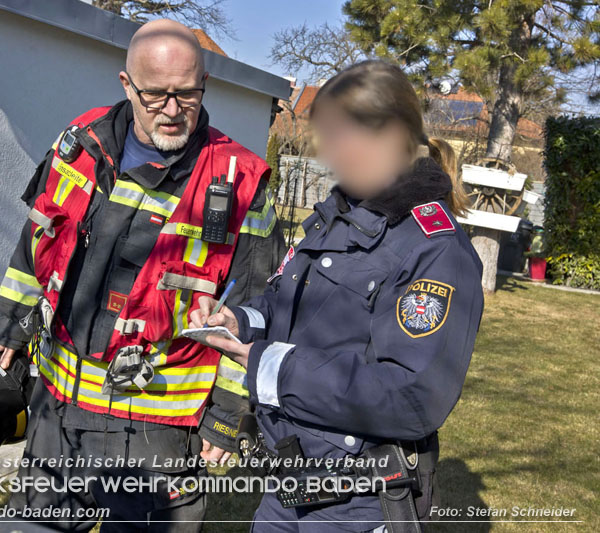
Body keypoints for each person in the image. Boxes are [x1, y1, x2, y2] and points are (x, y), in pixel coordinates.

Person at [0, 18, 286, 532]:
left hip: (157, 430)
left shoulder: (240, 183)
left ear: (204, 85)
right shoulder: (80, 144)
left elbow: (256, 311)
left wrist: (229, 413)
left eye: (187, 95)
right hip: (57, 408)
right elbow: (38, 241)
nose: (172, 111)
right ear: (127, 85)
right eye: (157, 95)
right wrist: (9, 325)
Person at [189, 60, 484, 532]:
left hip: (359, 502)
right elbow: (287, 301)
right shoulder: (340, 214)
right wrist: (239, 322)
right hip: (288, 482)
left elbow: (410, 396)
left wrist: (270, 364)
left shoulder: (435, 248)